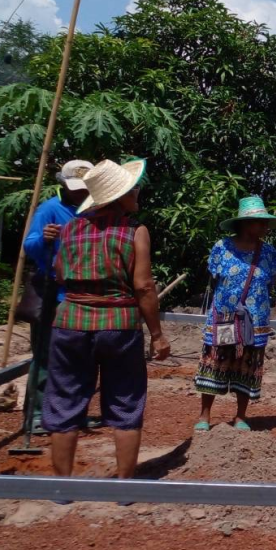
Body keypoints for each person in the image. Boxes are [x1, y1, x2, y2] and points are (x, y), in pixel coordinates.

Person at [43, 158, 171, 480]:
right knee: (125, 401)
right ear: (120, 196)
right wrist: (157, 334)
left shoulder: (70, 228)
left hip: (70, 322)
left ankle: (62, 489)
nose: (137, 192)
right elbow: (143, 285)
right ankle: (124, 488)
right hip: (120, 326)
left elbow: (60, 274)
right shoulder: (135, 232)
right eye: (133, 189)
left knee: (65, 400)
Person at [193, 196, 276, 433]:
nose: (264, 227)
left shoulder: (269, 252)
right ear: (244, 224)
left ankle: (240, 416)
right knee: (214, 361)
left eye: (265, 223)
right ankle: (205, 415)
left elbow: (270, 282)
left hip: (255, 320)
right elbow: (215, 279)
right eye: (260, 222)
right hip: (223, 316)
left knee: (248, 364)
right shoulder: (221, 247)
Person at [21, 160, 92, 434]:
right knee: (45, 354)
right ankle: (37, 413)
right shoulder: (51, 208)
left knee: (78, 356)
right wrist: (45, 240)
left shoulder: (93, 210)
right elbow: (30, 245)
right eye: (74, 188)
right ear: (63, 184)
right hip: (53, 290)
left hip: (81, 292)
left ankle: (72, 412)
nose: (79, 193)